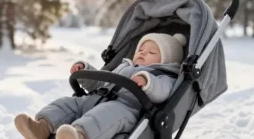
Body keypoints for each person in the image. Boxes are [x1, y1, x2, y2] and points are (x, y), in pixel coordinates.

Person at [14, 33, 187, 139]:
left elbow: (164, 91)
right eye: (141, 50)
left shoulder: (164, 76)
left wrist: (148, 82)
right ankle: (42, 127)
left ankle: (79, 136)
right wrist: (85, 71)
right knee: (67, 103)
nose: (143, 53)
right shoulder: (124, 66)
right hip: (96, 99)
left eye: (151, 52)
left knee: (103, 115)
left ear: (166, 60)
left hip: (126, 110)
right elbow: (101, 84)